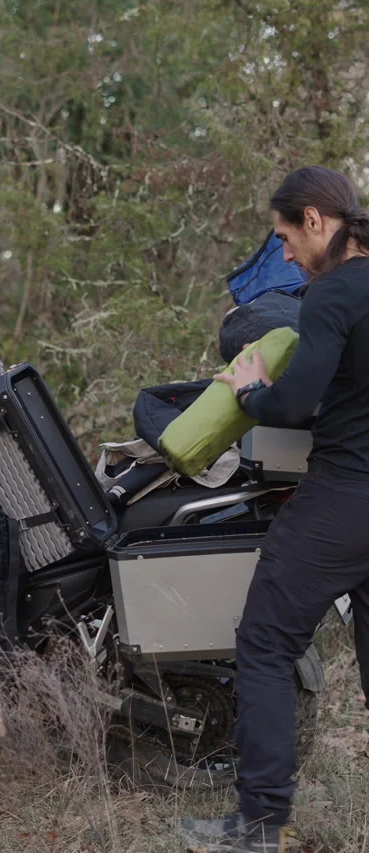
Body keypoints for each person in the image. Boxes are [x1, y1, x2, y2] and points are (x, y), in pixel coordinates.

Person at [179, 165, 369, 852]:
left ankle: (259, 824)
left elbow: (292, 404)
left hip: (345, 497)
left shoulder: (336, 292)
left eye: (287, 237)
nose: (284, 254)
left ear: (317, 220)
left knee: (264, 643)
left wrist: (252, 387)